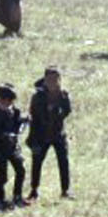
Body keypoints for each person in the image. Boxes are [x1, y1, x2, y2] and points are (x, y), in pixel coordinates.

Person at [27, 68, 73, 201]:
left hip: (58, 134)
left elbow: (67, 111)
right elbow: (35, 115)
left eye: (56, 79)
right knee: (37, 163)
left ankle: (65, 190)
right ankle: (34, 190)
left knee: (63, 162)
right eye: (50, 79)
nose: (53, 82)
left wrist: (58, 112)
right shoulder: (38, 96)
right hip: (41, 135)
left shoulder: (63, 95)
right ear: (45, 80)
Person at [0, 84, 27, 208]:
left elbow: (17, 124)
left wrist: (24, 121)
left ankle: (17, 196)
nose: (10, 102)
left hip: (12, 147)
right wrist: (6, 135)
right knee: (2, 175)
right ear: (2, 99)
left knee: (20, 170)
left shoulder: (13, 110)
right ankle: (0, 199)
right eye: (8, 100)